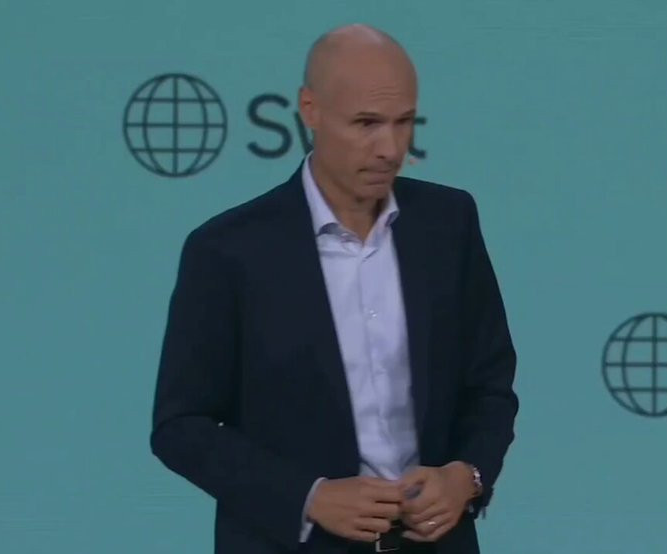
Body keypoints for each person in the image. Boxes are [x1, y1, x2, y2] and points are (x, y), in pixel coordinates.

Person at [150, 24, 519, 554]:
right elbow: (181, 425)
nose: (390, 148)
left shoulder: (449, 223)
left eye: (404, 122)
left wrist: (467, 476)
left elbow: (489, 384)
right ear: (311, 110)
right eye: (366, 123)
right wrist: (308, 497)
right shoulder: (228, 251)